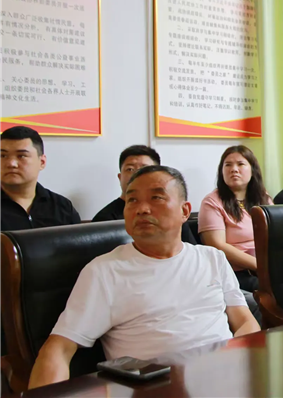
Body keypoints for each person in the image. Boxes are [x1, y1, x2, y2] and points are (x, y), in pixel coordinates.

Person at [27, 165, 260, 389]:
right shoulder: (105, 271)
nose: (142, 209)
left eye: (156, 198)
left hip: (225, 378)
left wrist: (237, 365)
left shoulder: (212, 258)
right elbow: (59, 348)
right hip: (158, 388)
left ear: (185, 211)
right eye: (132, 200)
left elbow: (244, 321)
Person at [198, 145, 272, 292]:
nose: (234, 169)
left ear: (253, 169)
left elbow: (276, 234)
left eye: (240, 164)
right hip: (236, 273)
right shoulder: (211, 202)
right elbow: (217, 245)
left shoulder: (264, 198)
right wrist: (260, 265)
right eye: (228, 165)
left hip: (267, 266)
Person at [92, 145, 198, 245]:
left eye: (145, 169)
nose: (136, 174)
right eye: (130, 169)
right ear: (120, 177)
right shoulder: (104, 219)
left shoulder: (174, 213)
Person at [1, 126, 80, 231]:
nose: (11, 164)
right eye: (3, 156)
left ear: (42, 162)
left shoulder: (62, 206)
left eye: (21, 156)